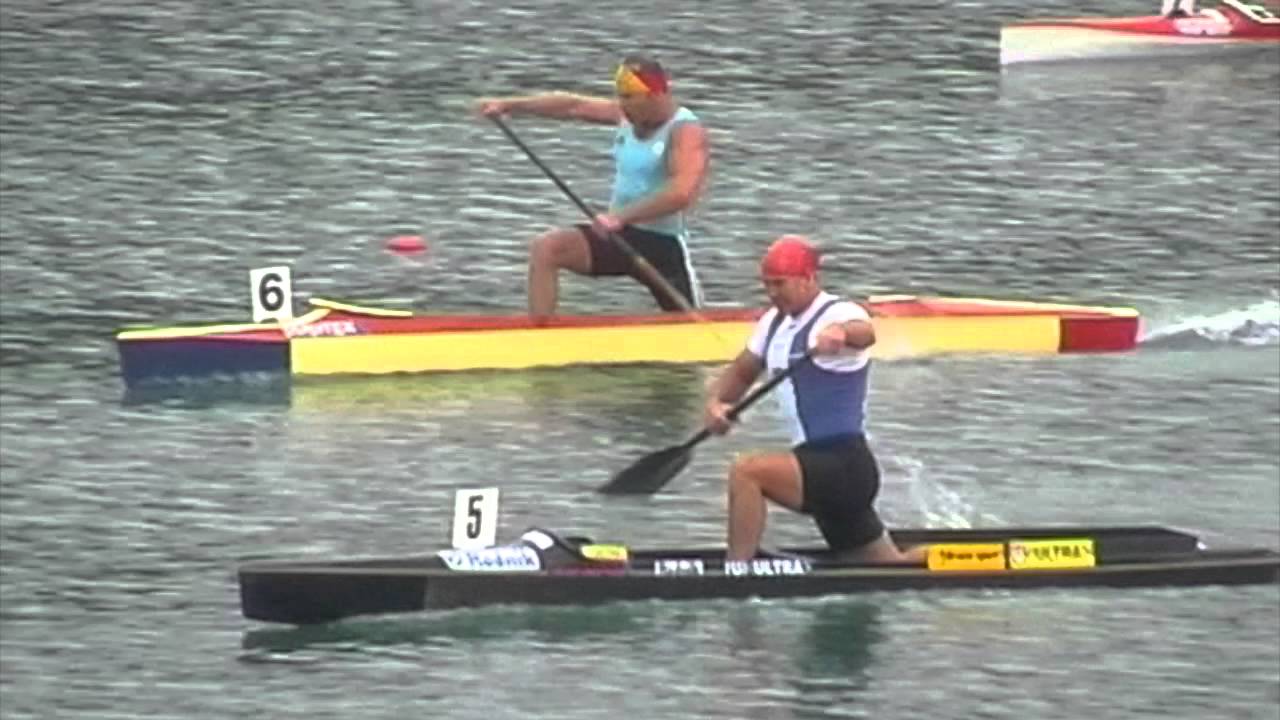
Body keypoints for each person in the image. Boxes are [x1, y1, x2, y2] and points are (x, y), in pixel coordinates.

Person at [703, 236, 927, 565]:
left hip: (842, 465)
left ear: (809, 279)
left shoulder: (836, 311)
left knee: (747, 472)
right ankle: (948, 562)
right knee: (891, 567)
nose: (772, 293)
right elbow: (741, 373)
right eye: (767, 285)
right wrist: (716, 404)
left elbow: (866, 333)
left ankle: (736, 572)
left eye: (780, 284)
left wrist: (842, 334)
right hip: (816, 467)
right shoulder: (772, 322)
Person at [476, 55, 710, 320]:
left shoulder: (685, 130)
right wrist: (509, 105)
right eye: (620, 97)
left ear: (656, 94)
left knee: (690, 321)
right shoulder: (627, 115)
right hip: (620, 235)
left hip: (663, 245)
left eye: (629, 98)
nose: (622, 105)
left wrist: (620, 217)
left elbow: (681, 193)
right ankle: (538, 336)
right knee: (547, 248)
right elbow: (571, 106)